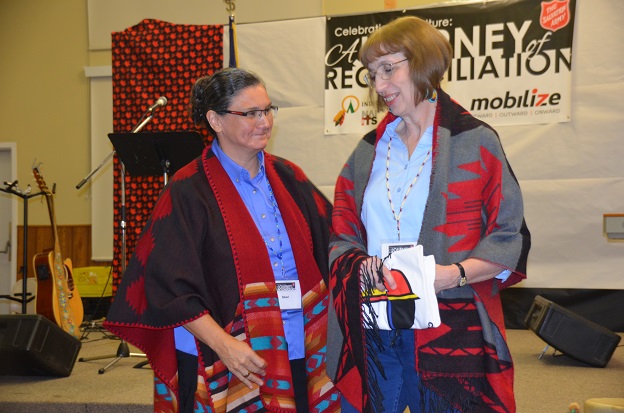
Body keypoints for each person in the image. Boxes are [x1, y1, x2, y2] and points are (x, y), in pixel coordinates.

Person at [104, 67, 341, 413]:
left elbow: (335, 244)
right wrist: (226, 345)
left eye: (268, 110)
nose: (264, 122)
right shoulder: (186, 191)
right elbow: (168, 289)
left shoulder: (290, 177)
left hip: (298, 344)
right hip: (222, 353)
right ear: (215, 120)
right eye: (250, 113)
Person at [326, 16, 531, 413]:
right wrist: (360, 266)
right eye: (371, 74)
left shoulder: (476, 142)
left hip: (449, 325)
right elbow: (341, 230)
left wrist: (451, 274)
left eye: (389, 69)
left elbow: (509, 235)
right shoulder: (368, 150)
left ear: (423, 63)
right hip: (375, 321)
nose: (379, 85)